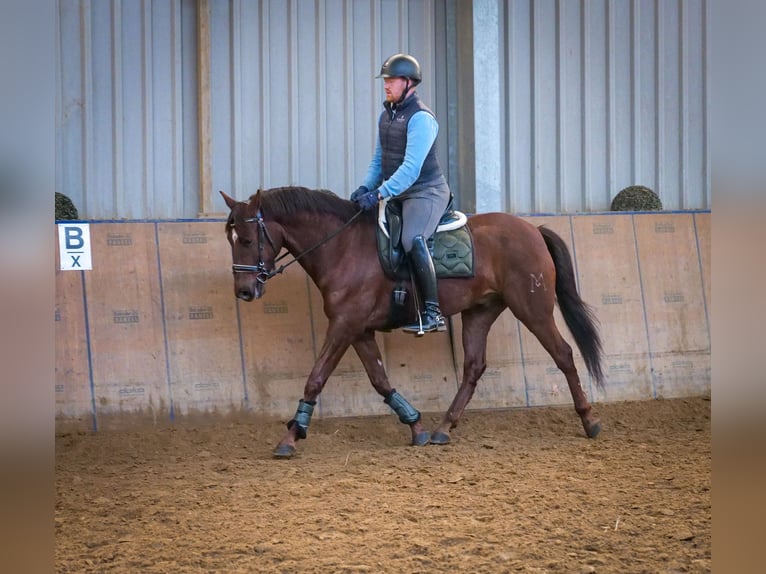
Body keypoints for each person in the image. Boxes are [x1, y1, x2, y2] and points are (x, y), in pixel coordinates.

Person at [351, 53, 451, 335]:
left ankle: (432, 313)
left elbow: (410, 169)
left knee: (412, 238)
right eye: (385, 80)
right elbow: (378, 162)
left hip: (425, 192)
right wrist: (364, 188)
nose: (386, 85)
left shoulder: (421, 118)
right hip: (397, 192)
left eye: (392, 80)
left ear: (409, 82)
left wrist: (379, 194)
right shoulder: (387, 115)